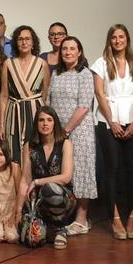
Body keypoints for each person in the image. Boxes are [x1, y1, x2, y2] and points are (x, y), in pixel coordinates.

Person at [91, 24, 133, 240]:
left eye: (121, 37)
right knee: (112, 170)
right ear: (109, 40)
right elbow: (100, 95)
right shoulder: (101, 63)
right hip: (107, 120)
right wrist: (112, 122)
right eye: (114, 37)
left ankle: (132, 216)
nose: (118, 40)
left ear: (127, 39)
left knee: (131, 170)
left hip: (132, 119)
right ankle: (116, 218)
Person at [48, 36, 96, 237]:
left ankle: (82, 219)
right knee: (62, 172)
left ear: (79, 52)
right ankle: (63, 216)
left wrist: (66, 130)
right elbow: (48, 101)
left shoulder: (84, 74)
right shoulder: (56, 74)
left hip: (79, 131)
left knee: (81, 172)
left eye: (72, 48)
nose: (68, 52)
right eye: (64, 49)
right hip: (58, 132)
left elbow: (84, 106)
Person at [16, 106, 76, 250]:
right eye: (41, 120)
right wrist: (18, 210)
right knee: (32, 241)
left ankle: (60, 229)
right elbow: (25, 180)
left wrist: (38, 182)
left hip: (63, 199)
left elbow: (66, 177)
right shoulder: (30, 146)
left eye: (49, 120)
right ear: (36, 124)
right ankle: (46, 227)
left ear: (55, 123)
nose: (45, 124)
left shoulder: (65, 143)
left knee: (51, 188)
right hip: (39, 200)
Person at [0, 25, 49, 164]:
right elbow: (3, 96)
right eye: (20, 39)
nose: (24, 42)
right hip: (13, 113)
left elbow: (45, 95)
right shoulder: (8, 64)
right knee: (13, 154)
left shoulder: (42, 64)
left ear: (33, 42)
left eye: (28, 39)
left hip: (35, 114)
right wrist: (2, 125)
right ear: (15, 42)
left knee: (34, 154)